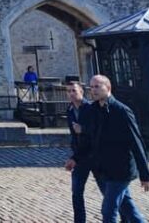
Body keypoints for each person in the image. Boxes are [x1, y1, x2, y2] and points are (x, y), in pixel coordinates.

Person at [88, 74, 149, 223]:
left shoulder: (122, 111)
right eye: (91, 87)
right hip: (104, 169)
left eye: (97, 86)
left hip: (121, 169)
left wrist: (145, 174)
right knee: (128, 208)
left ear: (108, 88)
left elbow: (136, 143)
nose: (93, 90)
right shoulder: (94, 110)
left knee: (108, 210)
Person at [63, 81, 94, 223]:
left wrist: (84, 130)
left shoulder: (91, 108)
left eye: (73, 90)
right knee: (76, 192)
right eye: (68, 91)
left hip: (94, 156)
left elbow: (97, 133)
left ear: (81, 91)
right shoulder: (69, 110)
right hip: (80, 157)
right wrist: (74, 155)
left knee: (107, 190)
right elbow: (74, 136)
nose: (71, 93)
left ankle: (125, 217)